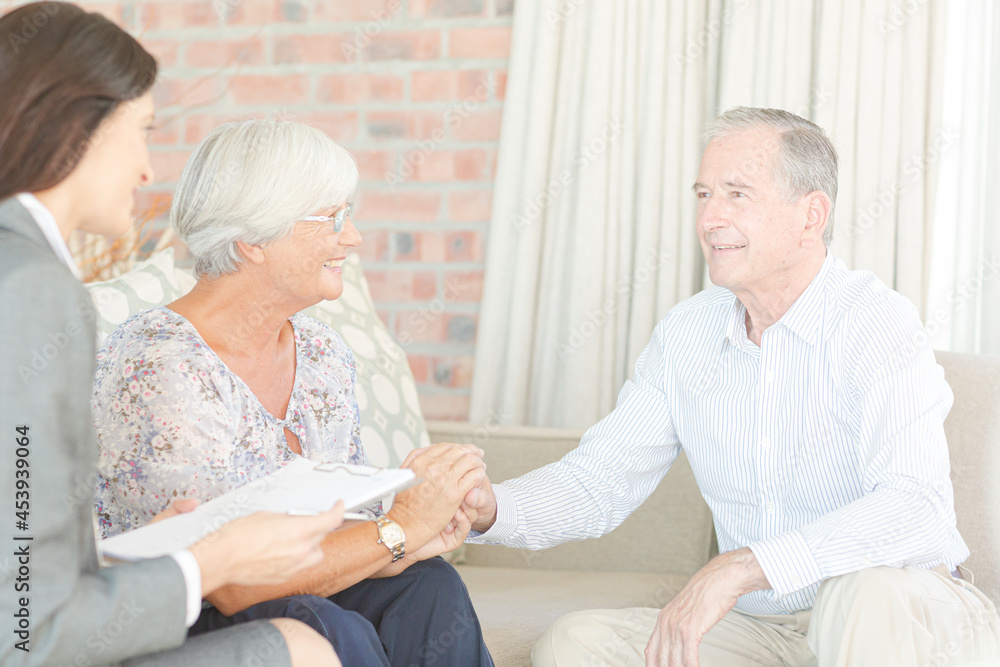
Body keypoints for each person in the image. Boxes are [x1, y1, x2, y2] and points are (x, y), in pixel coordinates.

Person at [464, 107, 1000, 666]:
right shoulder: (686, 333)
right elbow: (600, 479)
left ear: (810, 216)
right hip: (767, 629)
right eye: (703, 195)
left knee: (860, 591)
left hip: (908, 619)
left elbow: (913, 507)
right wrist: (491, 509)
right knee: (578, 644)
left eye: (737, 194)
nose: (710, 218)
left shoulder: (876, 322)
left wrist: (743, 566)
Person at [0, 4, 348, 665]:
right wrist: (211, 559)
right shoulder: (29, 288)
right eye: (144, 131)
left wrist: (124, 555)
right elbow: (26, 633)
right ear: (82, 128)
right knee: (302, 647)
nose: (148, 169)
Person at [90, 118, 494, 666]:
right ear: (252, 240)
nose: (351, 237)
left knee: (429, 587)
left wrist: (421, 527)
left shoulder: (322, 350)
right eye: (332, 218)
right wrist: (400, 528)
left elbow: (348, 527)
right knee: (319, 624)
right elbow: (228, 581)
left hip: (288, 593)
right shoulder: (160, 365)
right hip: (179, 614)